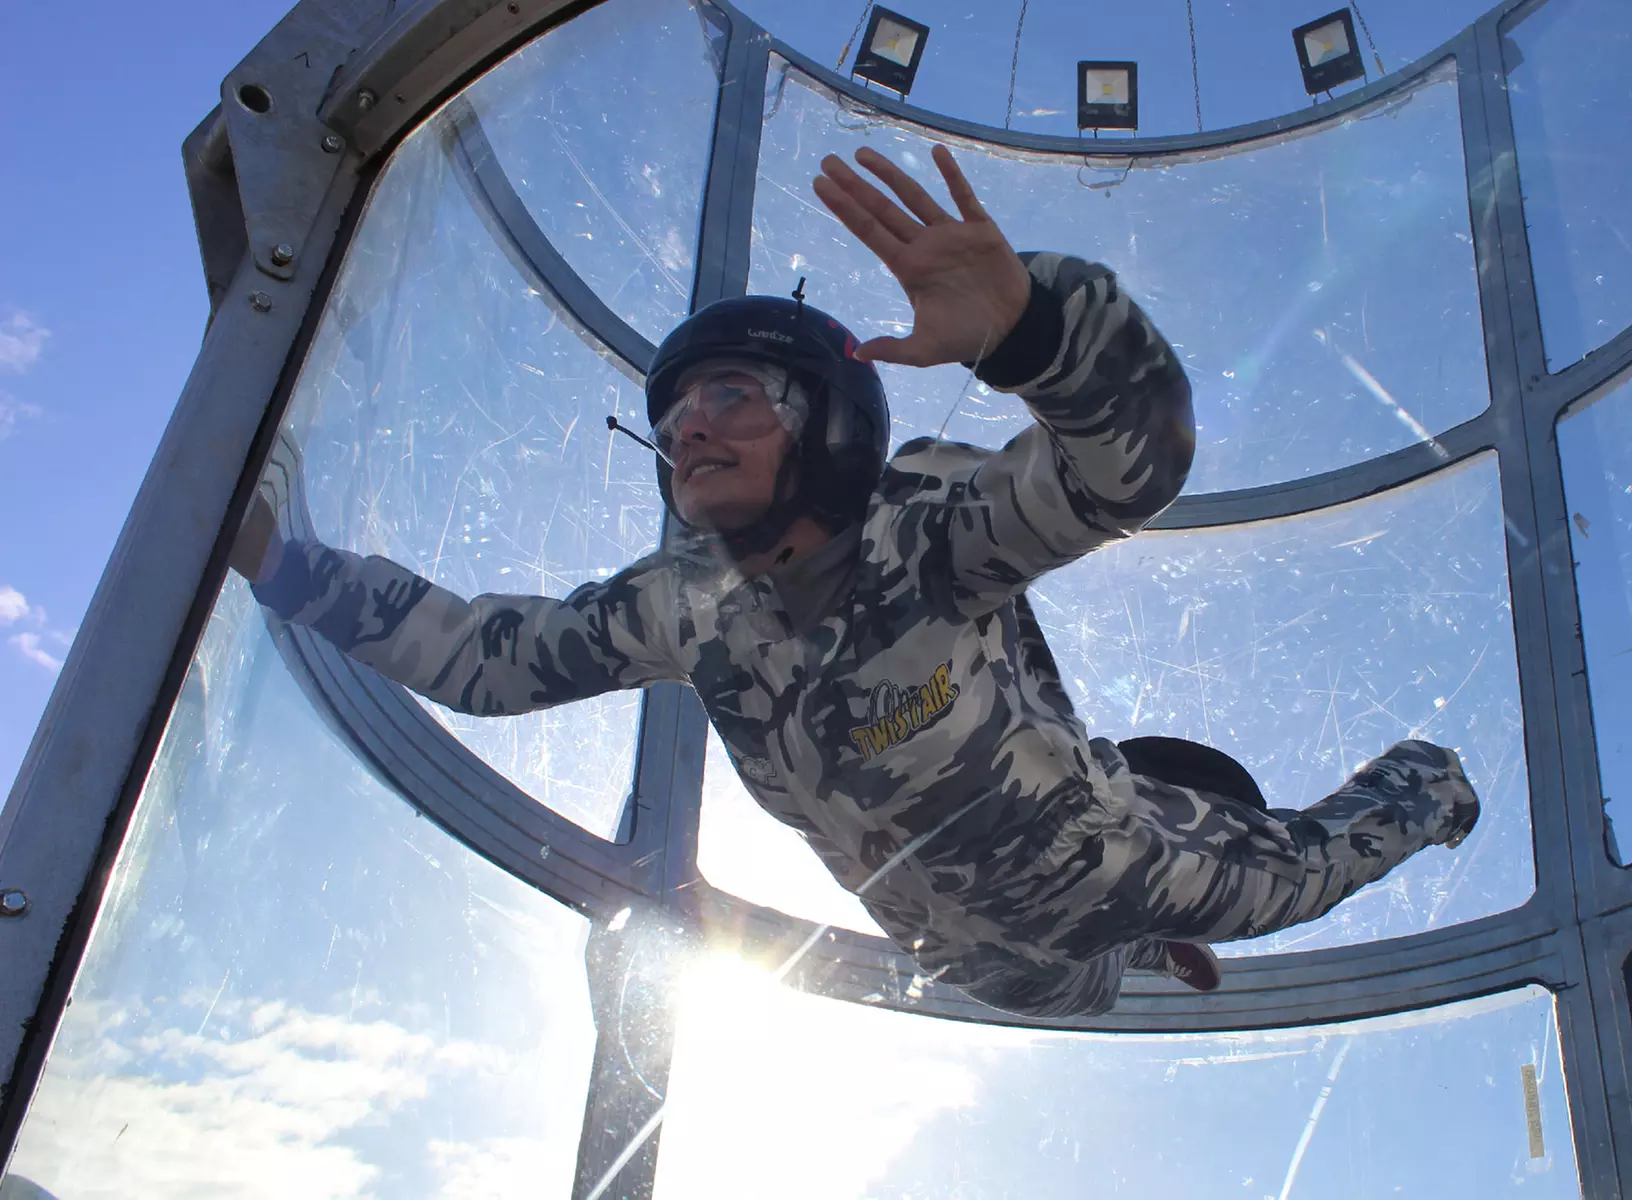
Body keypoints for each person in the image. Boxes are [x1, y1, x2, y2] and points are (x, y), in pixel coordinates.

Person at [232, 145, 1480, 1018]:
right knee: (1075, 983)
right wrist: (280, 564)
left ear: (826, 417)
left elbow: (1126, 468)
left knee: (1313, 867)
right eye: (671, 414)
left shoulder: (924, 534)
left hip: (1116, 866)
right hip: (970, 958)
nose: (689, 431)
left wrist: (1039, 332)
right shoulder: (687, 605)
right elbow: (488, 659)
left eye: (733, 396)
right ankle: (1146, 949)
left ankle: (1430, 781)